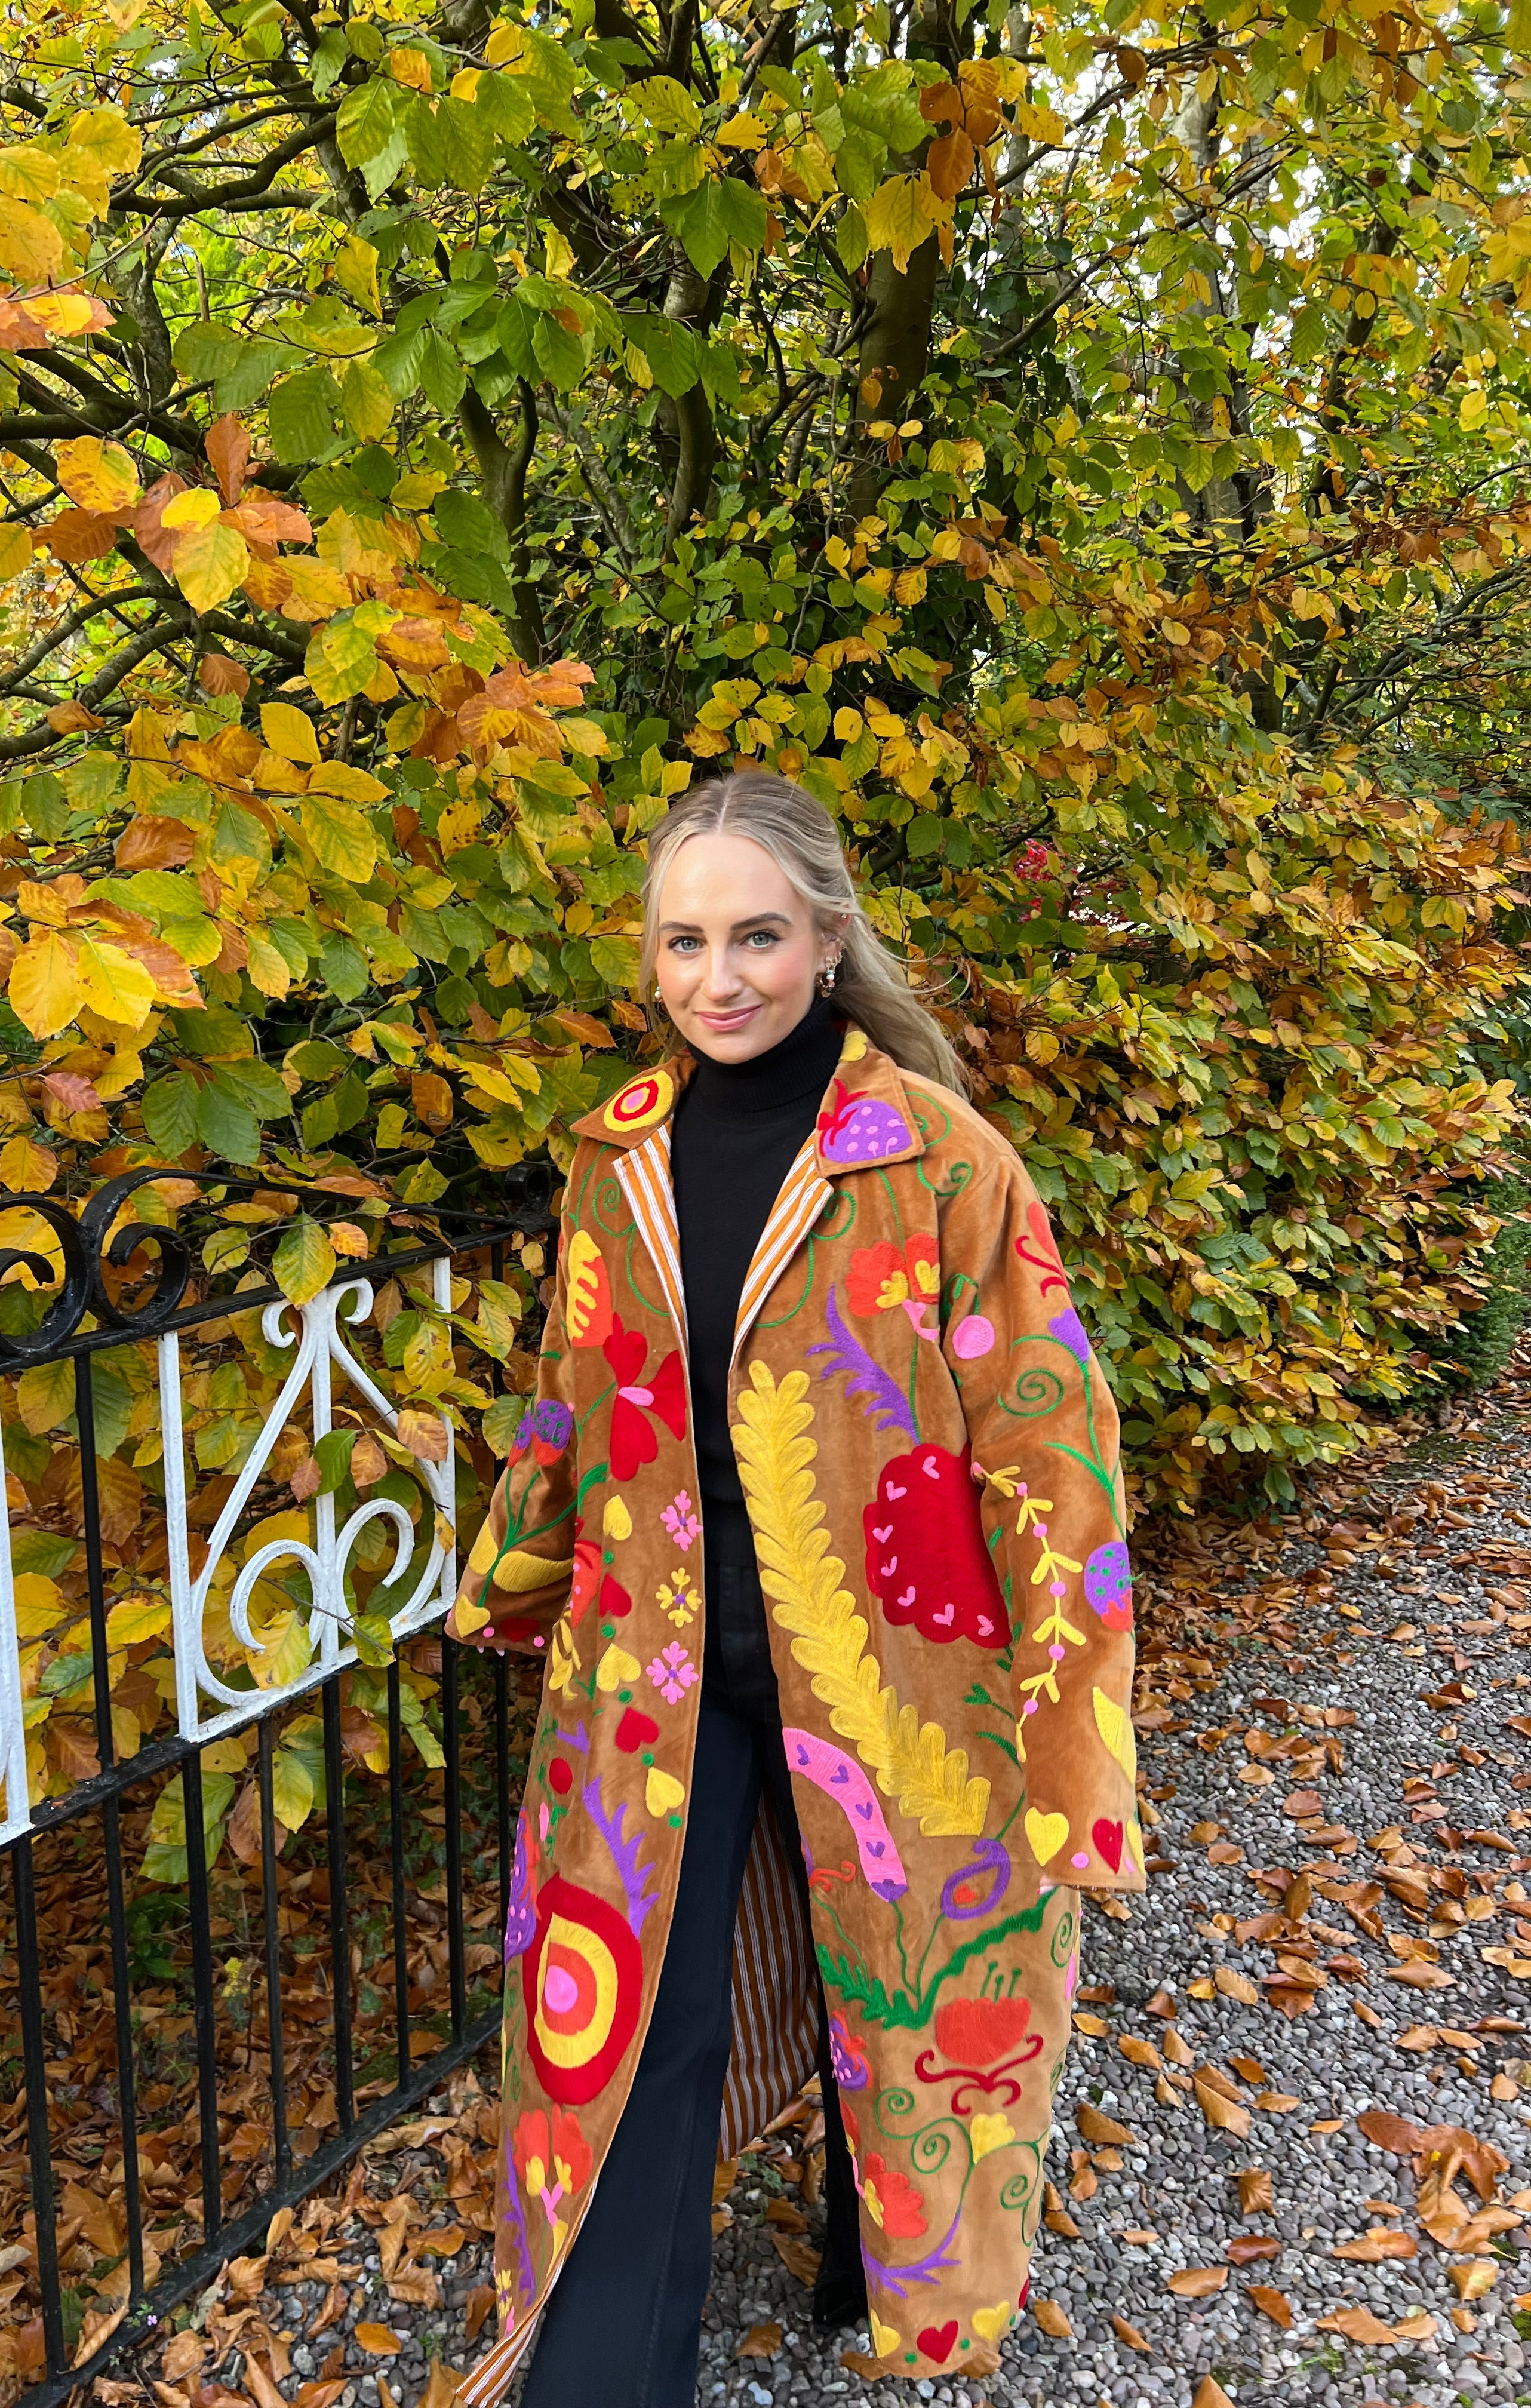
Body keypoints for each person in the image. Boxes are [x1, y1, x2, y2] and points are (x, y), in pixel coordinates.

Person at [448, 772, 1142, 2407]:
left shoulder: (936, 1160)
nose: (720, 977)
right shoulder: (615, 1159)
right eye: (685, 941)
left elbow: (1051, 1448)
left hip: (902, 1683)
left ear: (827, 940)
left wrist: (1075, 1732)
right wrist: (519, 1570)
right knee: (639, 2030)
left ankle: (868, 2247)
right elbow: (579, 1388)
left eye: (757, 935)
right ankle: (597, 2380)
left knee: (886, 1976)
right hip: (655, 1684)